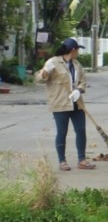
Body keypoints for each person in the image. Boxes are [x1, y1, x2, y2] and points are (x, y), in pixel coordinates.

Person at [35, 37, 96, 171]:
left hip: (76, 103)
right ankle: (62, 161)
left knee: (81, 130)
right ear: (73, 50)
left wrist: (79, 90)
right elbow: (39, 79)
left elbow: (83, 80)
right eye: (78, 49)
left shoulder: (77, 64)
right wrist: (46, 71)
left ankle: (82, 160)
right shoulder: (53, 62)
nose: (78, 52)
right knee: (62, 132)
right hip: (60, 103)